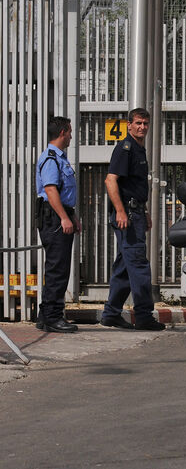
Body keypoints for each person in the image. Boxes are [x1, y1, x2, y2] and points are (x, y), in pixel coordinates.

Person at [100, 108, 166, 331]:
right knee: (138, 265)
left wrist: (145, 211)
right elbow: (111, 181)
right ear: (129, 125)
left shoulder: (138, 149)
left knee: (125, 266)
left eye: (146, 124)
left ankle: (111, 314)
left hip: (135, 213)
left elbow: (135, 186)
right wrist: (120, 211)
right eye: (138, 123)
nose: (142, 127)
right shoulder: (125, 148)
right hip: (127, 215)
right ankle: (144, 316)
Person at [34, 116, 81, 333]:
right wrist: (64, 217)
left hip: (60, 214)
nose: (71, 135)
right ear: (63, 132)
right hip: (54, 217)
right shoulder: (51, 158)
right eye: (70, 131)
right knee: (58, 269)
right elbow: (51, 191)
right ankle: (53, 317)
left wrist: (72, 216)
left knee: (56, 267)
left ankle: (45, 316)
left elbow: (63, 192)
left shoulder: (58, 158)